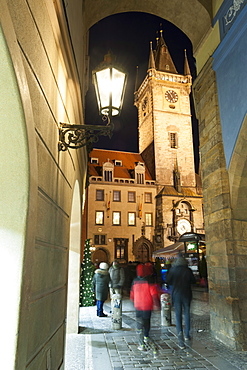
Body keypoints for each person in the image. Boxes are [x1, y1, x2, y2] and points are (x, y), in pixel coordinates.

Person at [166, 256, 196, 349]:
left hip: (176, 294)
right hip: (187, 293)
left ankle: (180, 340)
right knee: (187, 313)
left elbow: (168, 281)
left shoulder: (173, 270)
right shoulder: (188, 270)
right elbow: (193, 281)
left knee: (178, 315)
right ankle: (187, 334)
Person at [130, 264, 160, 351]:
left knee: (139, 324)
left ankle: (141, 343)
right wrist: (157, 304)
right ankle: (146, 336)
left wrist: (133, 301)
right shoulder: (149, 282)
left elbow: (132, 295)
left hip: (138, 306)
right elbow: (154, 294)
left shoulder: (134, 281)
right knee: (147, 322)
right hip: (147, 306)